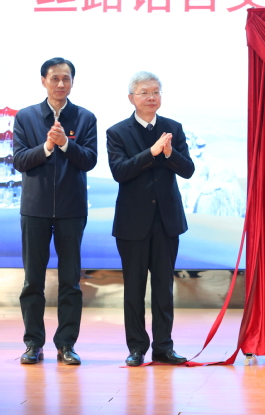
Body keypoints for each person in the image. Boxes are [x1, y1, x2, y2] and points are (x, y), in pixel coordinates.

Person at [13, 57, 97, 365]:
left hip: (71, 210)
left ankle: (66, 344)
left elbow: (89, 160)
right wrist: (47, 147)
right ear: (43, 81)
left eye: (66, 78)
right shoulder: (26, 117)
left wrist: (65, 144)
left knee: (70, 281)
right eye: (55, 78)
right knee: (33, 281)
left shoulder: (85, 117)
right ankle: (33, 343)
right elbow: (20, 160)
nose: (61, 84)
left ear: (72, 82)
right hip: (34, 209)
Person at [106, 72, 194, 366]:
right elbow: (120, 172)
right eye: (144, 92)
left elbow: (188, 170)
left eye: (156, 92)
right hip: (132, 222)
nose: (151, 97)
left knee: (163, 288)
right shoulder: (117, 132)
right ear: (131, 98)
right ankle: (136, 348)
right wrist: (152, 152)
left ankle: (164, 347)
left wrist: (169, 154)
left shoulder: (173, 128)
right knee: (134, 289)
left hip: (166, 221)